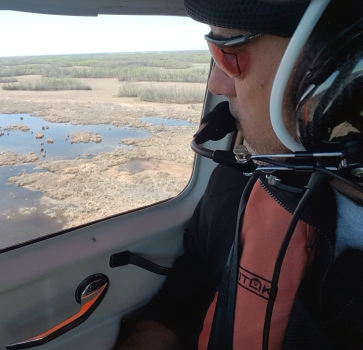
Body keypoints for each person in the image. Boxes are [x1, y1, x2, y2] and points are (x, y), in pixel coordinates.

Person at [115, 0, 363, 349]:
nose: (216, 84)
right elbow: (189, 291)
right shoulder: (244, 181)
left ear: (345, 68)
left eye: (226, 54)